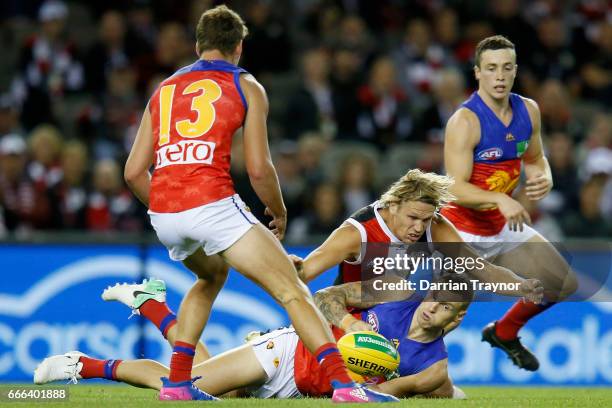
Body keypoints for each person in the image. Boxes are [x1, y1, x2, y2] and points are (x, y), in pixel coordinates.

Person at [121, 5, 396, 402]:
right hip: (212, 204)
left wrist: (166, 207)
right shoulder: (246, 85)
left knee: (209, 277)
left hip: (164, 211)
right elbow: (259, 169)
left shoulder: (163, 89)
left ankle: (178, 385)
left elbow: (132, 172)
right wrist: (279, 211)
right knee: (294, 291)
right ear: (238, 48)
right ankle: (344, 387)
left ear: (198, 45)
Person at [34, 275, 472, 400]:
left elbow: (379, 396)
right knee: (182, 387)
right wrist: (353, 327)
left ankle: (152, 305)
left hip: (300, 392)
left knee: (199, 384)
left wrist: (453, 394)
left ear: (456, 319)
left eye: (446, 306)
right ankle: (84, 365)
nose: (433, 305)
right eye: (436, 295)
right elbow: (322, 298)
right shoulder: (393, 293)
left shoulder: (432, 366)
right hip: (284, 354)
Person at [441, 35, 578, 371]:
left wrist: (542, 174)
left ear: (515, 71)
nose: (499, 76)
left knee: (562, 284)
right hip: (459, 234)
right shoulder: (465, 121)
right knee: (438, 321)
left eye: (506, 68)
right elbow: (454, 188)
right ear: (477, 73)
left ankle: (504, 332)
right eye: (491, 68)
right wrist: (499, 198)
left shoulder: (528, 110)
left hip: (502, 228)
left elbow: (534, 157)